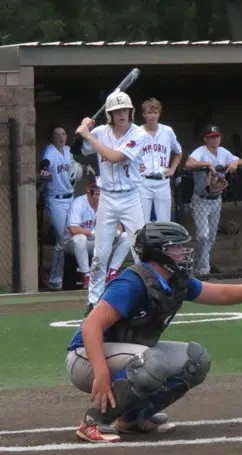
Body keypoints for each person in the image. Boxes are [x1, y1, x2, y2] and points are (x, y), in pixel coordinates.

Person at [66, 221, 242, 443]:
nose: (183, 252)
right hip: (86, 356)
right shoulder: (132, 282)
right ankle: (93, 421)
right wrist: (102, 374)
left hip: (123, 355)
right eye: (176, 247)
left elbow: (221, 294)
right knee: (152, 362)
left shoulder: (175, 280)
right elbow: (91, 326)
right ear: (160, 253)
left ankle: (133, 417)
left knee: (195, 360)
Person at [76, 91, 148, 313]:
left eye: (125, 109)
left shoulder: (140, 133)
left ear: (131, 111)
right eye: (116, 111)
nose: (121, 114)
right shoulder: (100, 132)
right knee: (100, 253)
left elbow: (117, 157)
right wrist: (82, 129)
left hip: (130, 196)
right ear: (110, 114)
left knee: (141, 250)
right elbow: (76, 150)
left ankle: (147, 296)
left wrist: (88, 136)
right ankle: (93, 301)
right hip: (107, 196)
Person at [184, 124, 242, 276]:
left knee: (210, 237)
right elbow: (188, 163)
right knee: (203, 235)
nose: (215, 139)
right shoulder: (201, 151)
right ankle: (204, 269)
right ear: (206, 139)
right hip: (201, 199)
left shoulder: (223, 152)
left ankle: (201, 265)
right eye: (212, 137)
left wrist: (234, 162)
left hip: (216, 199)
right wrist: (206, 164)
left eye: (217, 136)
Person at [39, 125, 90, 290]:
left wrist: (84, 168)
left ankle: (72, 275)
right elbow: (45, 162)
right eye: (57, 134)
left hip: (70, 198)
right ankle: (55, 279)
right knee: (62, 239)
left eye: (63, 133)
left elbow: (73, 167)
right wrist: (44, 169)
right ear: (51, 138)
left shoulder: (68, 150)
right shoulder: (50, 150)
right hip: (56, 199)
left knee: (74, 236)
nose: (61, 137)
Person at [63, 178, 131, 289]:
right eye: (94, 188)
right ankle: (86, 275)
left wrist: (116, 232)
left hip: (98, 242)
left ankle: (111, 273)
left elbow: (120, 225)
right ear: (88, 189)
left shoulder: (107, 203)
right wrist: (92, 232)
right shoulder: (79, 203)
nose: (98, 191)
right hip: (75, 244)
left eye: (100, 188)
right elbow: (73, 229)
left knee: (126, 237)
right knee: (80, 238)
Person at [139, 98, 183, 222]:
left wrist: (173, 169)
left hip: (163, 181)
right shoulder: (136, 132)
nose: (152, 116)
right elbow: (127, 154)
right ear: (143, 114)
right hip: (143, 181)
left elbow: (178, 152)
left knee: (165, 221)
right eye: (149, 112)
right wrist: (135, 165)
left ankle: (163, 242)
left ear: (159, 113)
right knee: (142, 222)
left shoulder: (167, 131)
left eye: (155, 112)